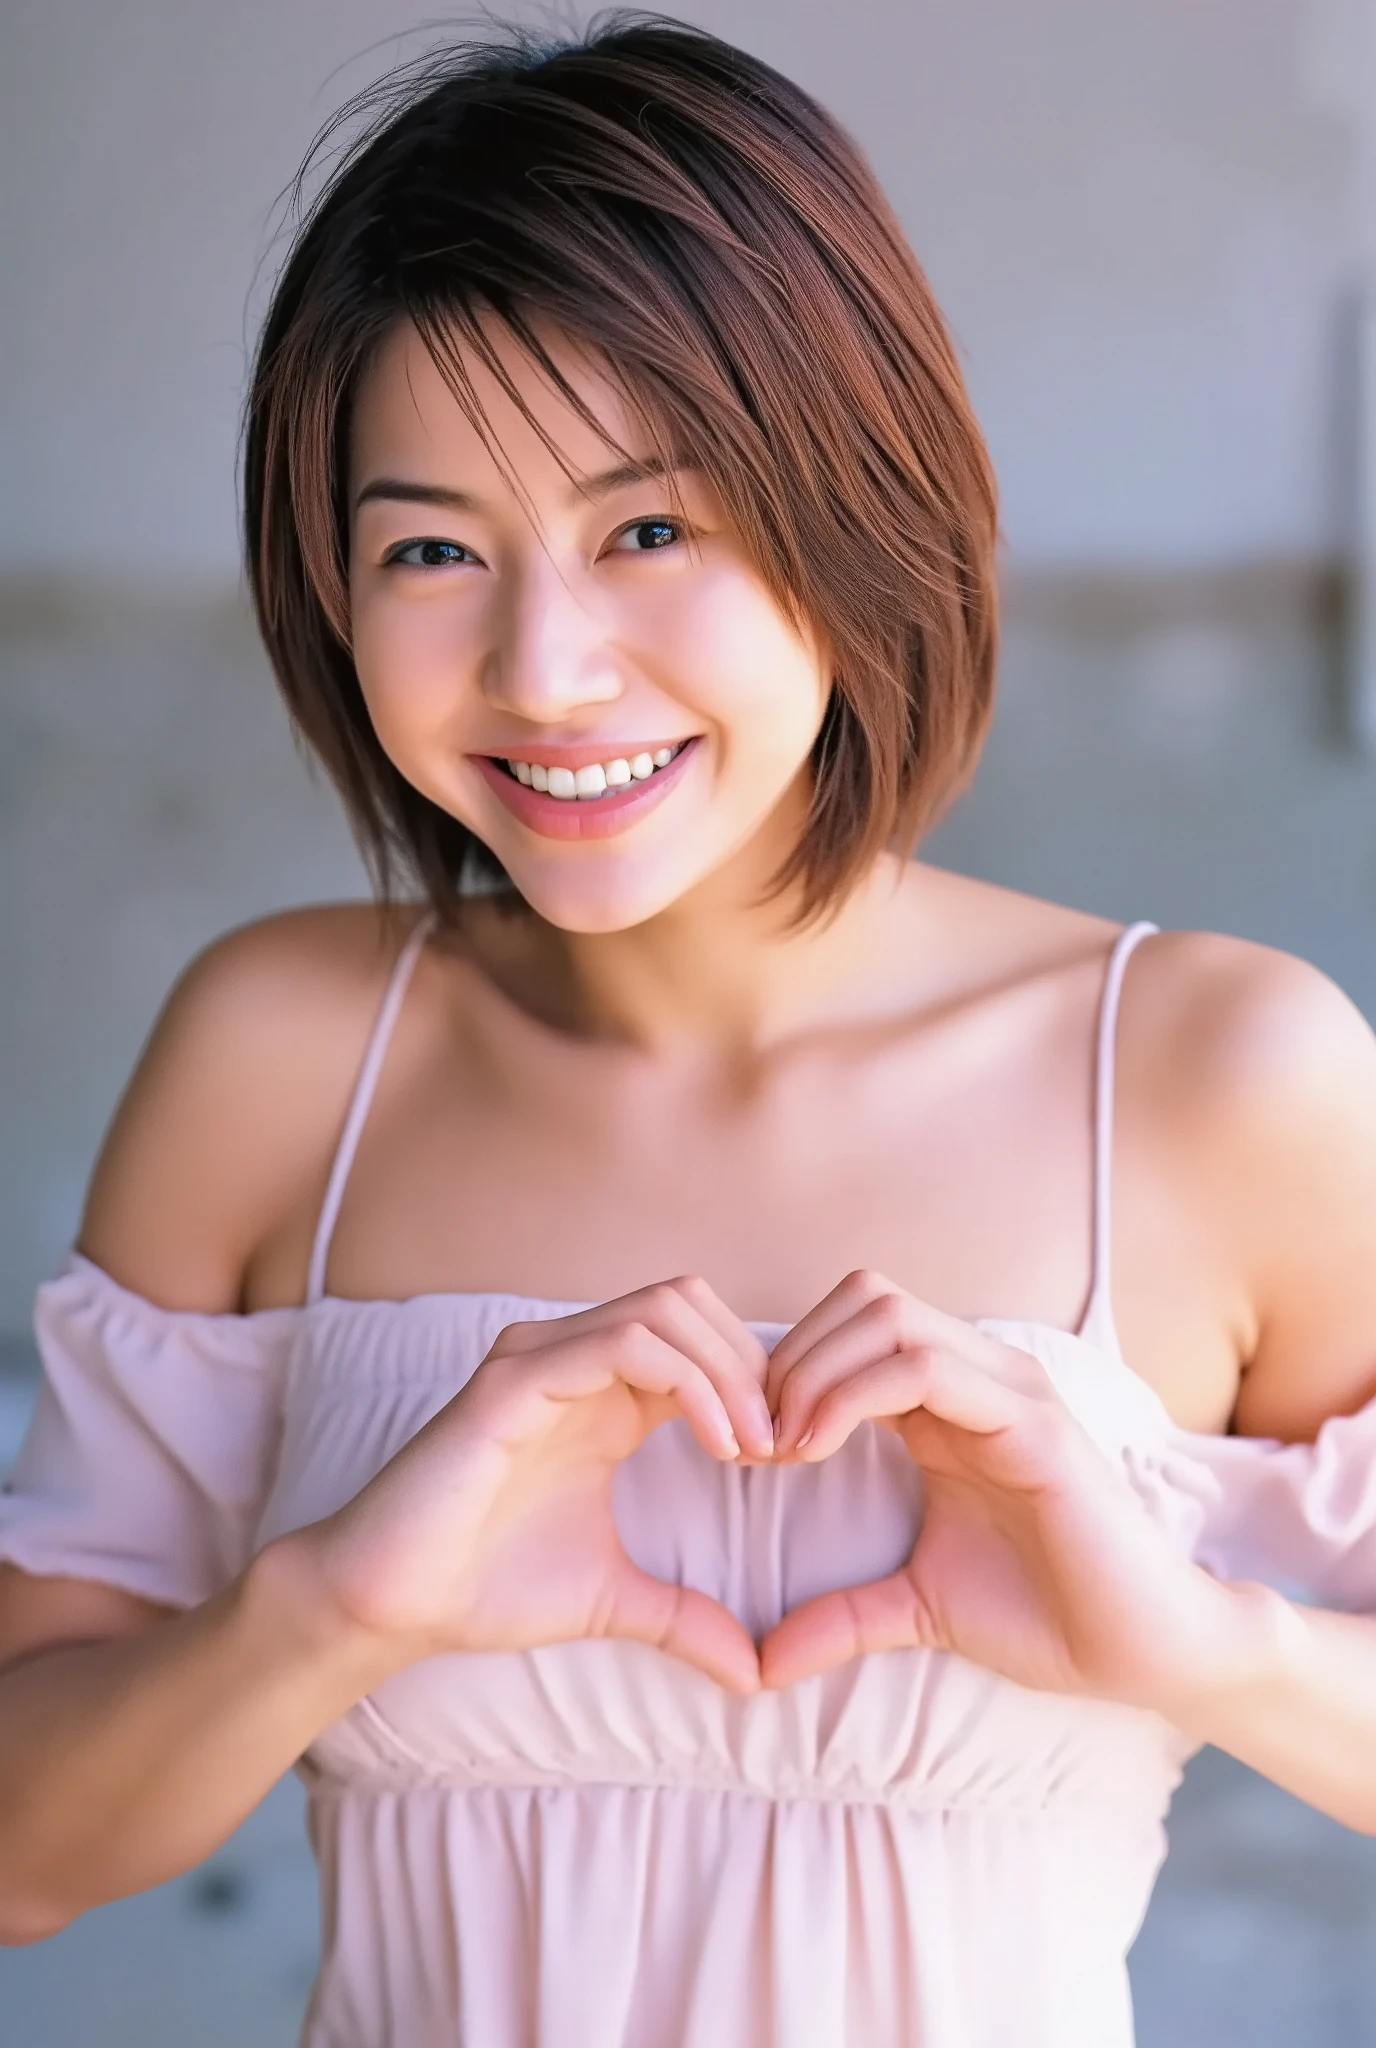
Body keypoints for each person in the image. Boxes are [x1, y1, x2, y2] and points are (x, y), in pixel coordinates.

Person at [3, 16, 1376, 2045]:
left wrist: (1186, 1640)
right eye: (431, 551)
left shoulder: (1214, 1075)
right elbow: (27, 1851)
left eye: (651, 528)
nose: (544, 670)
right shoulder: (280, 1052)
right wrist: (337, 1605)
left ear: (859, 505)